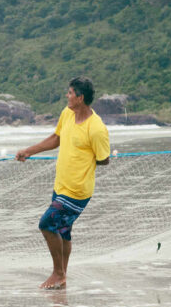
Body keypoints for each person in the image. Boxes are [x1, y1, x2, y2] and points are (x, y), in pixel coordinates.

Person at [16, 77, 110, 289]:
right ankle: (62, 276)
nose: (67, 96)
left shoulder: (96, 128)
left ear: (80, 97)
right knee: (63, 231)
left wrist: (84, 162)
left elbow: (104, 159)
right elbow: (56, 138)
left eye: (70, 93)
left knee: (47, 225)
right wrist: (29, 151)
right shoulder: (67, 113)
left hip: (77, 190)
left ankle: (58, 273)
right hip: (61, 186)